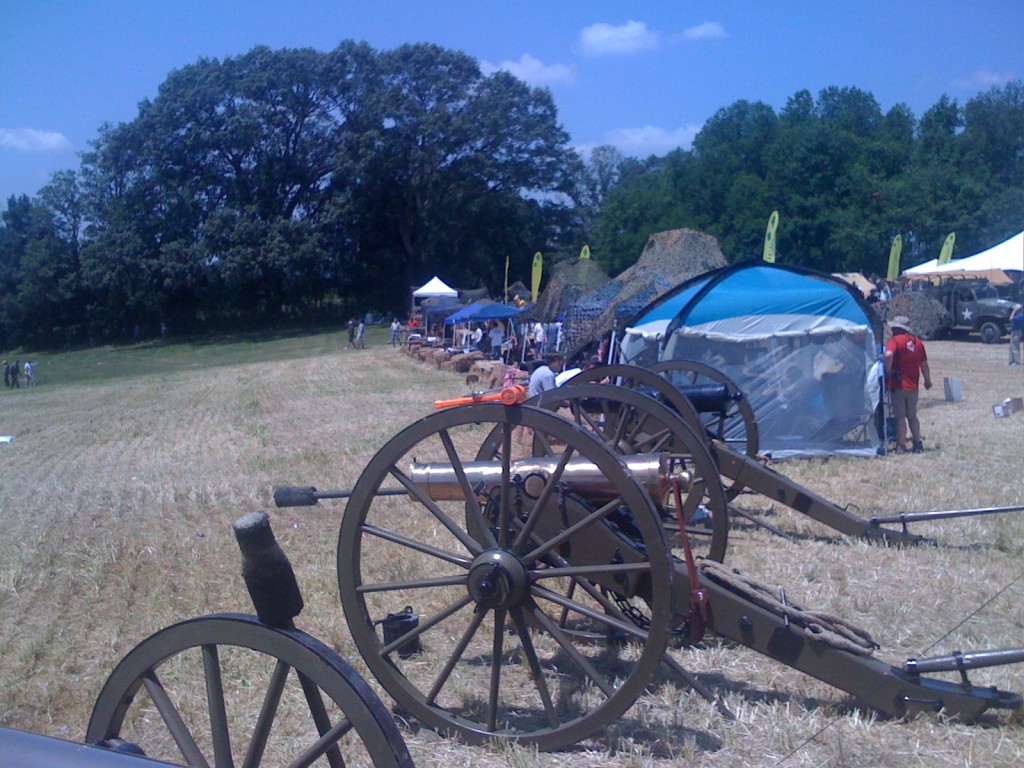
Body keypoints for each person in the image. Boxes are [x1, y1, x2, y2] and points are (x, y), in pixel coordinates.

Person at [884, 316, 932, 454]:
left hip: (898, 385)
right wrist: (927, 380)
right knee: (912, 416)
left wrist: (889, 371)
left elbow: (888, 355)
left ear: (897, 329)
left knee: (900, 417)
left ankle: (901, 445)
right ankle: (917, 443)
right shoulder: (918, 343)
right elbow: (924, 364)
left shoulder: (893, 341)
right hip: (913, 385)